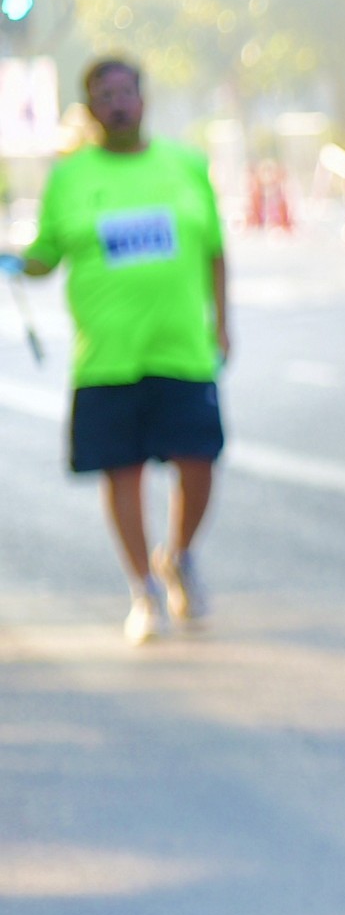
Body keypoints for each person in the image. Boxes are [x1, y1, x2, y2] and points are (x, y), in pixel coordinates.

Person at [6, 57, 228, 644]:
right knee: (122, 472)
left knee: (199, 462)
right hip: (106, 356)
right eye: (104, 95)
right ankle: (143, 590)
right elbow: (45, 257)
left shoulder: (185, 165)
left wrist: (224, 324)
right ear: (90, 109)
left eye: (125, 91)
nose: (118, 103)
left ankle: (178, 555)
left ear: (143, 99)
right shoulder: (70, 178)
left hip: (182, 348)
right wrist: (14, 261)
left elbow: (214, 249)